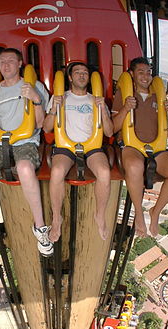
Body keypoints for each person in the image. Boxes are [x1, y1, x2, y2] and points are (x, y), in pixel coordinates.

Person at [0, 48, 52, 258]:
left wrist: (36, 99)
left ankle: (40, 227)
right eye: (2, 62)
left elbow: (41, 124)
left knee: (24, 168)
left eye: (10, 61)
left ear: (20, 63)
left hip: (25, 141)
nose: (6, 65)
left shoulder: (35, 86)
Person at [112, 57, 168, 237]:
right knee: (135, 166)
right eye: (141, 72)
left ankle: (155, 211)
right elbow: (113, 128)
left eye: (148, 72)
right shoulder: (124, 94)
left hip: (156, 147)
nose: (145, 76)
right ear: (132, 74)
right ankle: (138, 212)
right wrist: (126, 109)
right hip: (131, 145)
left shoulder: (157, 97)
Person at [43, 62, 113, 242]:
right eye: (77, 72)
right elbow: (47, 128)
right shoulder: (60, 97)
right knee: (57, 171)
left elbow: (109, 132)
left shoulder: (94, 99)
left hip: (91, 146)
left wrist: (103, 110)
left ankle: (99, 215)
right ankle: (57, 217)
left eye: (85, 73)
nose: (81, 75)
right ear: (70, 77)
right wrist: (53, 110)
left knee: (104, 173)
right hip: (66, 147)